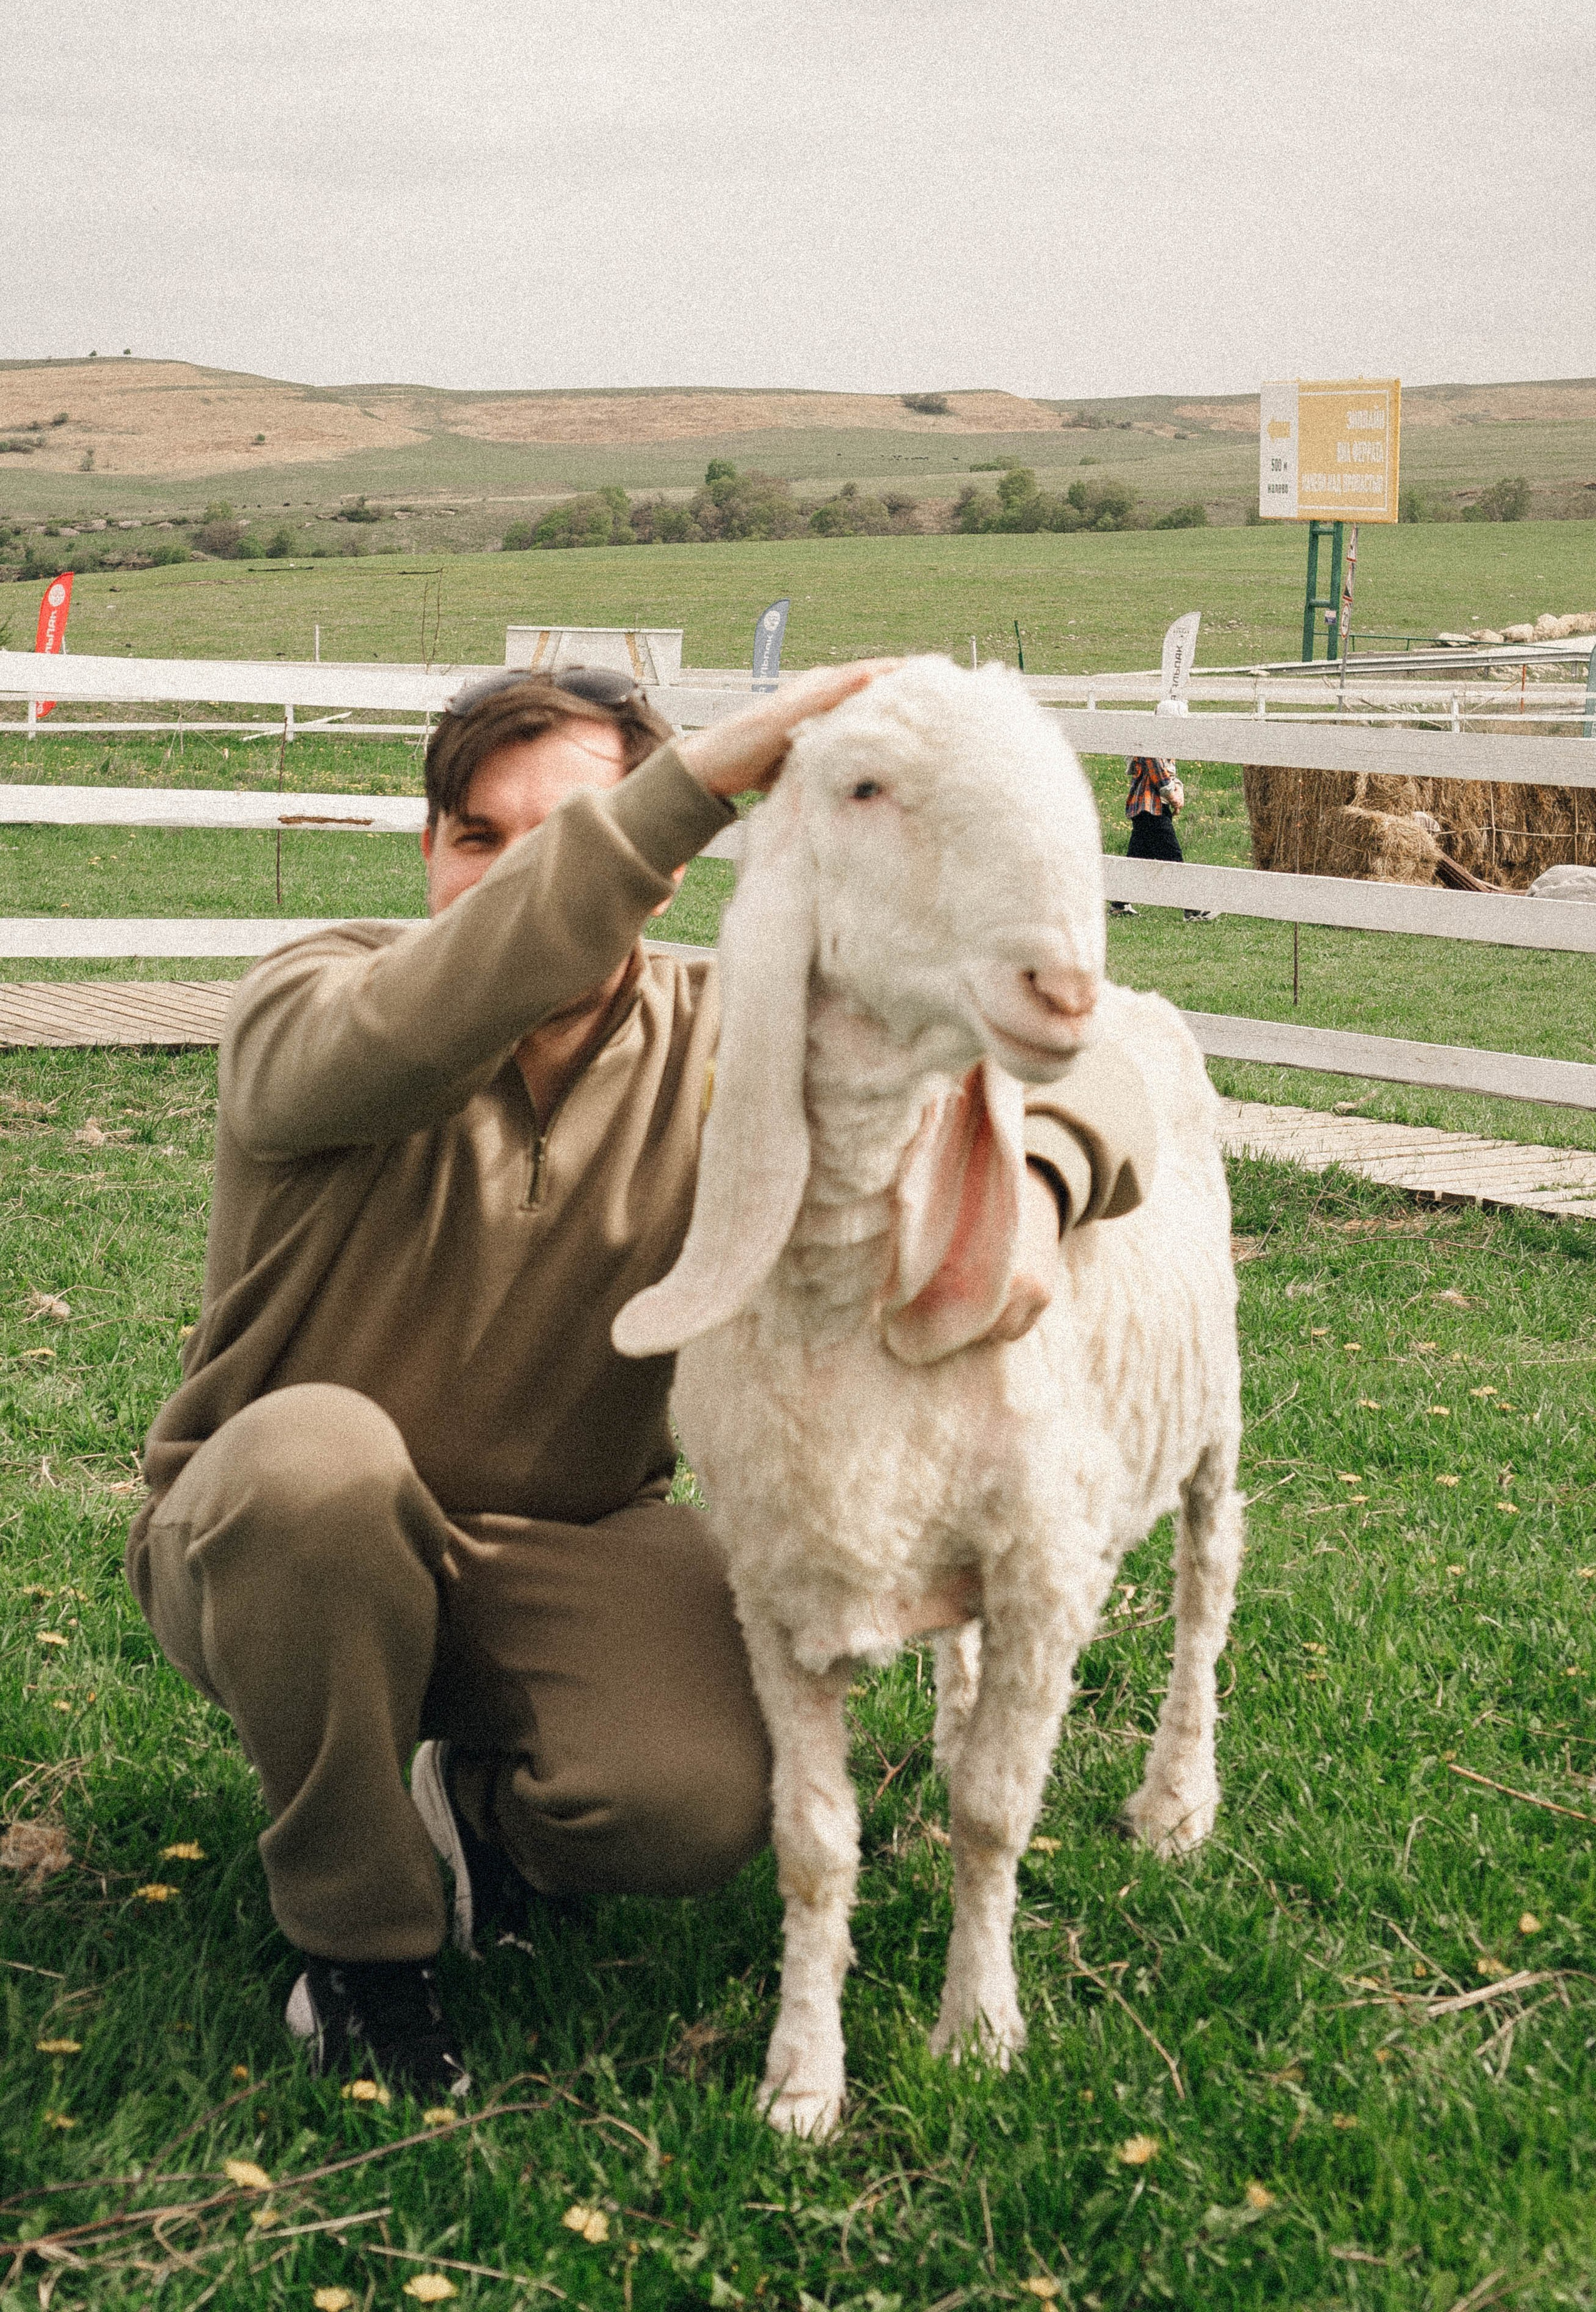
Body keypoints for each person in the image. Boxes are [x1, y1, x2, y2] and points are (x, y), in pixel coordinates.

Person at [126, 659, 1155, 2098]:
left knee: (696, 1798)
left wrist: (1034, 1180)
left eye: (569, 838)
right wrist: (685, 786)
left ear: (653, 876)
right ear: (430, 847)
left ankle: (478, 1812)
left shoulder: (730, 1030)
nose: (508, 878)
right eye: (476, 836)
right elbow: (426, 1012)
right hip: (271, 1545)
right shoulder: (316, 1003)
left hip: (571, 1539)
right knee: (315, 1467)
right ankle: (361, 1951)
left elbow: (1094, 1049)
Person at [1109, 753, 1220, 921]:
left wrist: (1178, 788)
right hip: (1151, 806)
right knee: (1173, 857)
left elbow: (1169, 771)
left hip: (1151, 806)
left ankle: (1119, 905)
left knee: (1137, 858)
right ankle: (1193, 910)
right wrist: (1171, 793)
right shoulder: (1150, 738)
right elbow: (1156, 766)